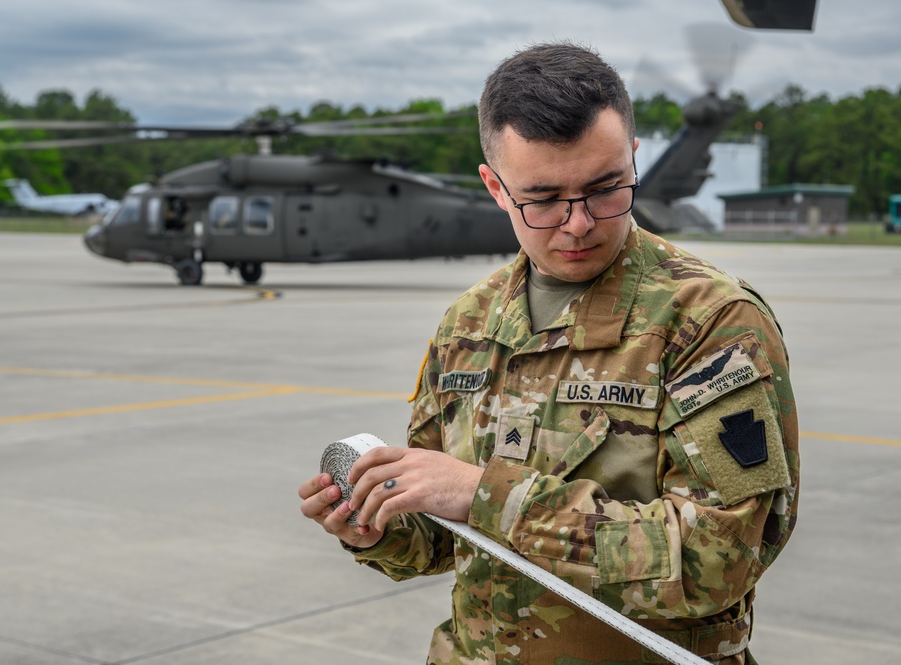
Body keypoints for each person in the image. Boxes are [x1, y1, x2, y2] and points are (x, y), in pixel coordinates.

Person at [299, 41, 798, 665]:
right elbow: (445, 537)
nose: (579, 221)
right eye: (542, 198)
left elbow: (719, 559)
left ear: (633, 159)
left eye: (606, 187)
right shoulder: (469, 322)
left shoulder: (710, 321)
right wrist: (377, 527)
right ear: (495, 187)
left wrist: (489, 493)